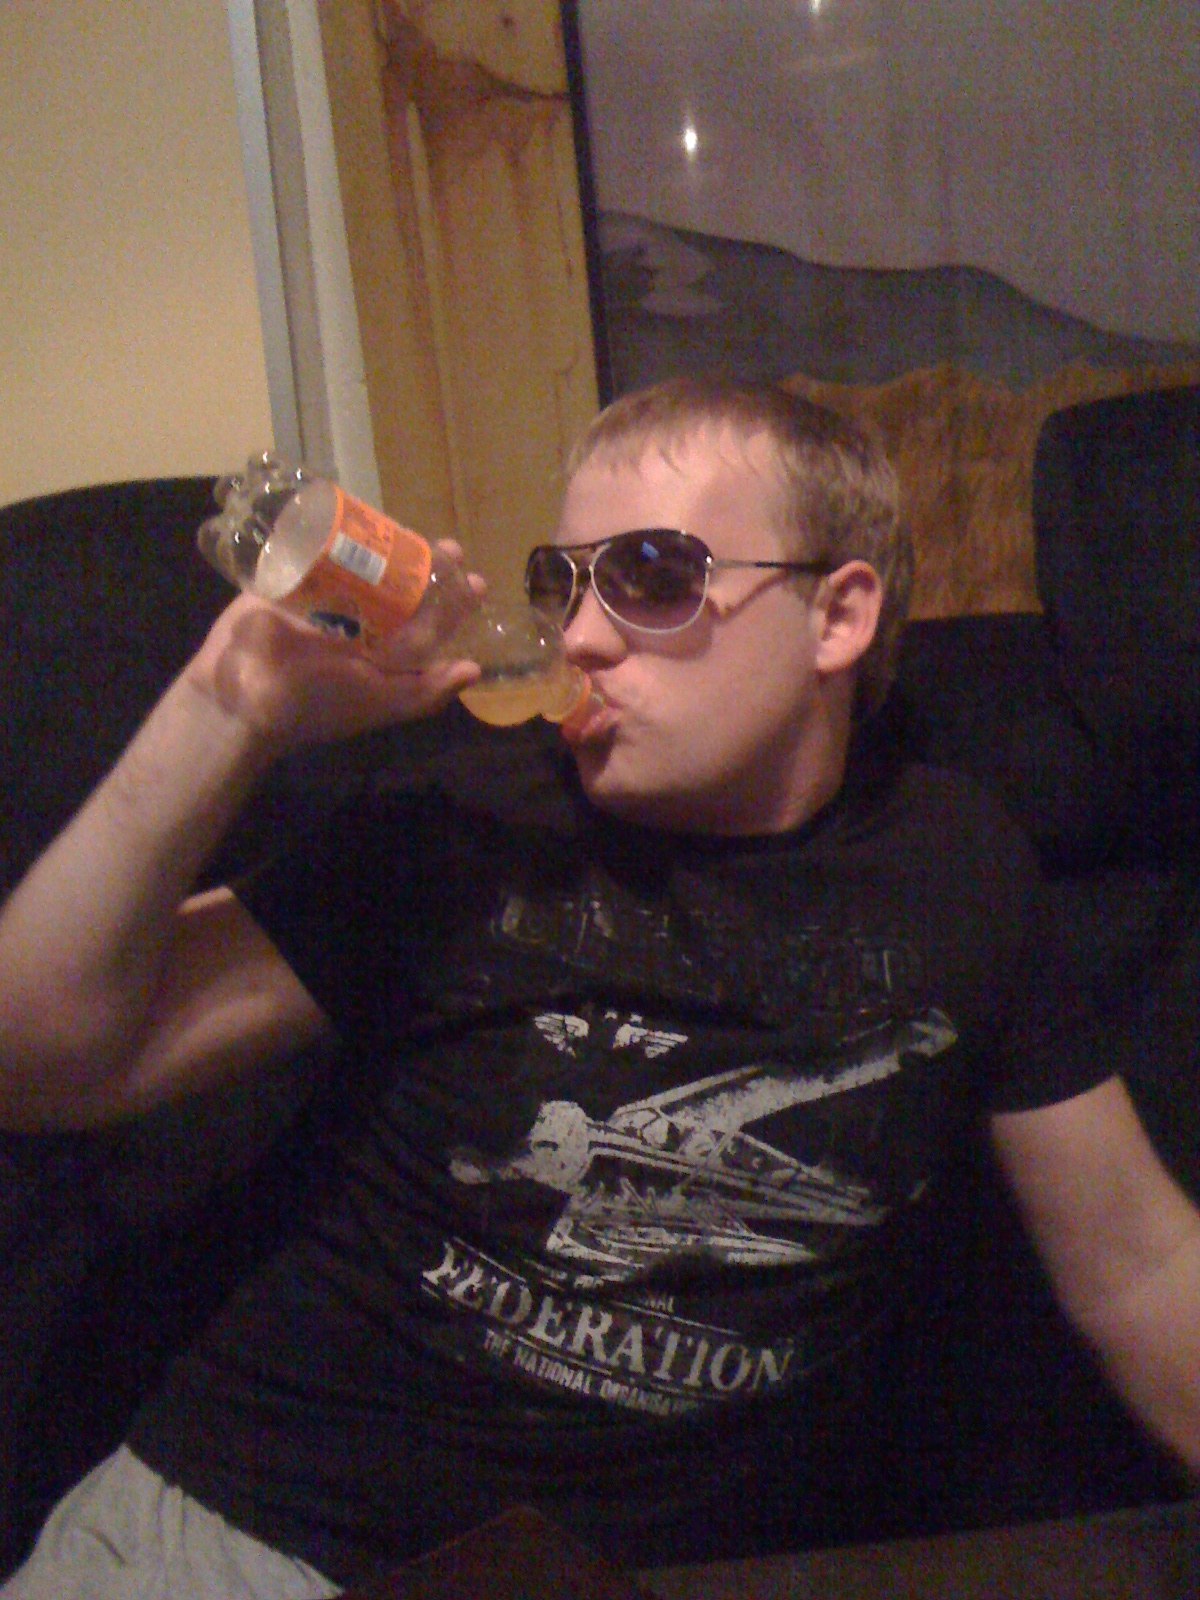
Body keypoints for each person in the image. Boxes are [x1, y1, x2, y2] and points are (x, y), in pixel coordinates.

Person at [1, 376, 1198, 1598]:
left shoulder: (962, 871)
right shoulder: (466, 823)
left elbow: (1138, 1266)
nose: (579, 635)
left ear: (836, 616)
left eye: (651, 576)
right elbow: (35, 1060)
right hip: (248, 1534)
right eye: (562, 582)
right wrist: (227, 710)